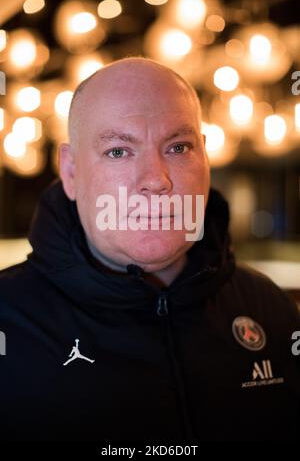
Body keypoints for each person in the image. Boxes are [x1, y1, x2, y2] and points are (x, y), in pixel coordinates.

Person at [0, 57, 299, 442]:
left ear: (205, 157)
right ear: (71, 172)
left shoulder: (269, 308)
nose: (155, 180)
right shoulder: (9, 318)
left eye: (178, 147)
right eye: (119, 152)